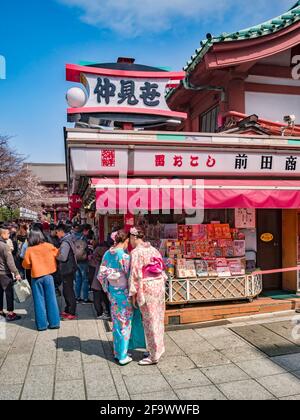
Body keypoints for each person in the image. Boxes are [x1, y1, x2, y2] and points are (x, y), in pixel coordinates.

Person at [129, 226, 167, 366]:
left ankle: (153, 356)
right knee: (158, 317)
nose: (130, 242)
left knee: (149, 320)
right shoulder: (153, 249)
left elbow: (135, 274)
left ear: (134, 237)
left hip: (147, 286)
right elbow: (160, 266)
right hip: (158, 285)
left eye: (131, 239)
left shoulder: (136, 252)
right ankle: (157, 348)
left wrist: (133, 293)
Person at [98, 230, 133, 366]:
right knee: (124, 322)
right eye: (127, 242)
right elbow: (130, 276)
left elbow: (101, 275)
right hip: (123, 293)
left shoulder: (108, 253)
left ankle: (118, 351)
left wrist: (107, 290)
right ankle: (122, 355)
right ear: (124, 241)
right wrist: (132, 292)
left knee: (117, 322)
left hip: (112, 292)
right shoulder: (124, 256)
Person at [22, 229, 60, 331]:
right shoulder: (49, 246)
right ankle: (54, 323)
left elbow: (26, 265)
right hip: (49, 276)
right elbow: (58, 254)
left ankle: (42, 325)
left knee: (39, 301)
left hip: (36, 277)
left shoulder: (30, 250)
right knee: (51, 300)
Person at [0, 225, 22, 322]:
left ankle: (0, 311)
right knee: (9, 294)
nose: (9, 234)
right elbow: (10, 262)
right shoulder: (5, 246)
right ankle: (10, 313)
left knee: (0, 293)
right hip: (5, 273)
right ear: (3, 234)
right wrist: (16, 272)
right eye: (8, 233)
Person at [56, 224, 78, 321]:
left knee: (68, 291)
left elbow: (63, 257)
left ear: (61, 231)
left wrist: (56, 255)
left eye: (57, 232)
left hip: (67, 269)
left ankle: (71, 312)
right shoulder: (70, 239)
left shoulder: (65, 242)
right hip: (70, 269)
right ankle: (68, 309)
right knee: (67, 290)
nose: (56, 234)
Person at [90, 241, 111, 320]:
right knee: (105, 297)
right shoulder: (108, 254)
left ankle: (99, 313)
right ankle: (107, 312)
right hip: (107, 280)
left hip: (97, 279)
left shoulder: (97, 253)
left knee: (97, 297)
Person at [74, 225, 92, 305]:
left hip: (76, 260)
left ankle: (77, 297)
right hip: (83, 261)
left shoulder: (74, 236)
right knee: (85, 279)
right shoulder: (83, 237)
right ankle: (85, 298)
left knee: (78, 279)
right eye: (88, 231)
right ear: (85, 230)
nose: (88, 233)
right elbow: (86, 249)